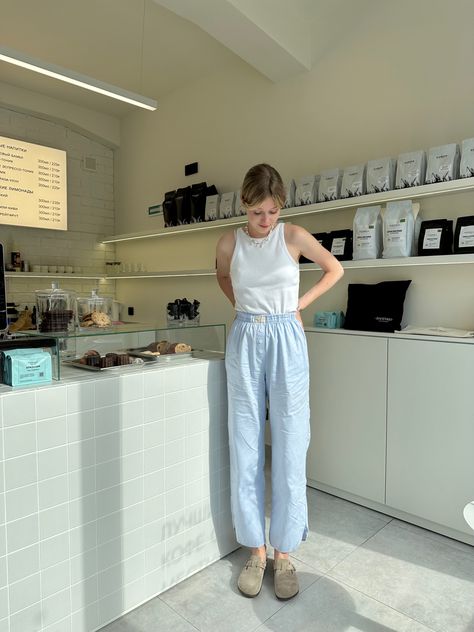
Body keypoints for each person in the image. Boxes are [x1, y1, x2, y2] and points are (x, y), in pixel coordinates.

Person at [216, 163, 344, 600]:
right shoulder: (228, 242)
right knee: (246, 442)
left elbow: (334, 270)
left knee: (291, 440)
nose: (265, 221)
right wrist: (247, 309)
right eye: (257, 213)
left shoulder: (293, 236)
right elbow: (223, 277)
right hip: (245, 335)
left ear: (280, 208)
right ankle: (255, 548)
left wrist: (294, 305)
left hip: (287, 337)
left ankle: (284, 553)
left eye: (271, 212)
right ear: (244, 206)